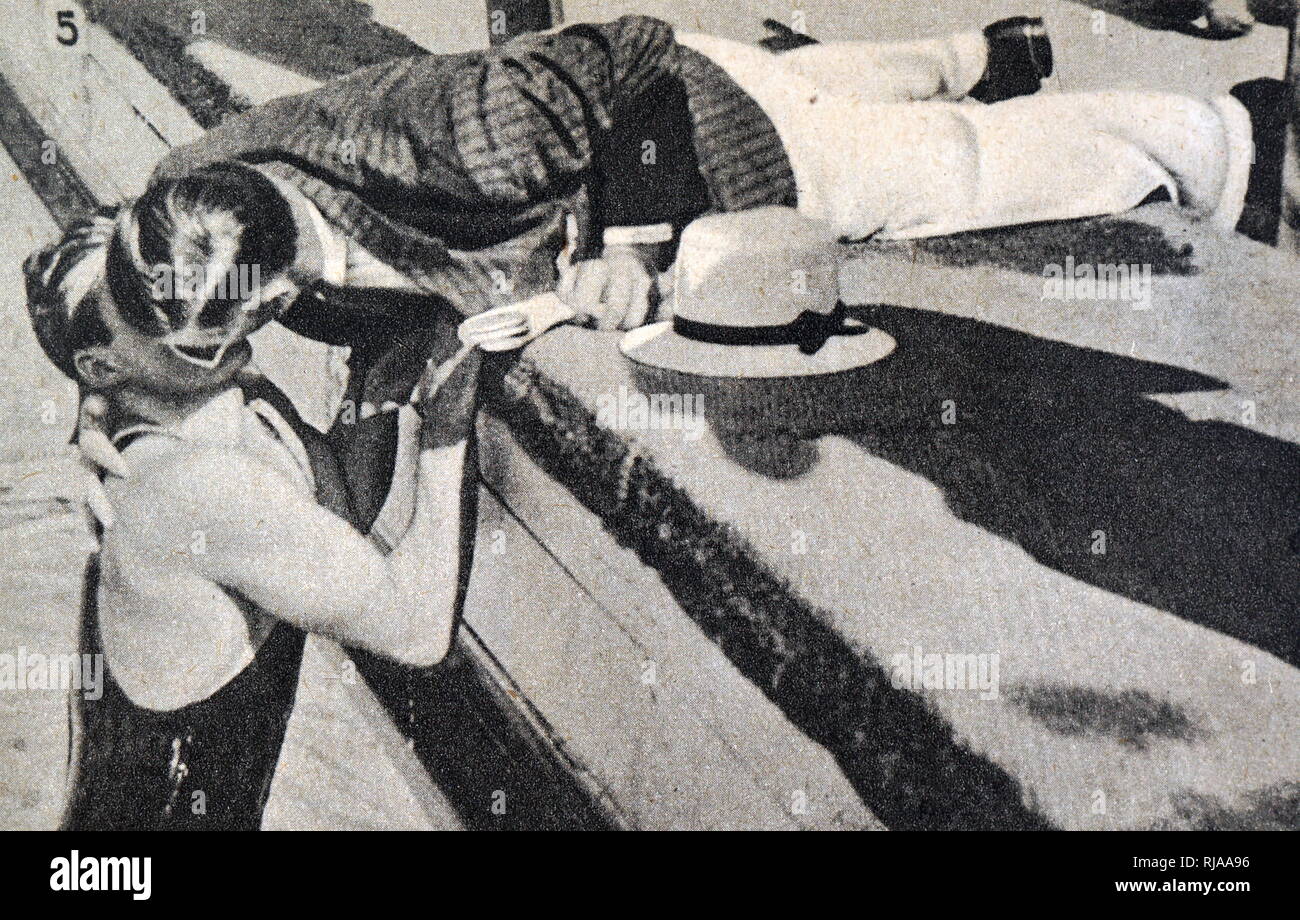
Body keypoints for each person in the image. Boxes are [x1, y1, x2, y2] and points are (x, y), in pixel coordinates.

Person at [66, 13, 1255, 511]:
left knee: (943, 176)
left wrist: (630, 248)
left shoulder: (454, 142)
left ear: (266, 295)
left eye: (207, 350)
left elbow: (633, 60)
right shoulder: (195, 196)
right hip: (640, 97)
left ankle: (1238, 124)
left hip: (688, 119)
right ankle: (981, 47)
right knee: (840, 81)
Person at [22, 205, 506, 829]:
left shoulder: (232, 403)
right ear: (102, 368)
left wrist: (379, 371)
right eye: (139, 303)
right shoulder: (190, 483)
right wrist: (447, 431)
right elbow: (417, 632)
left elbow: (336, 510)